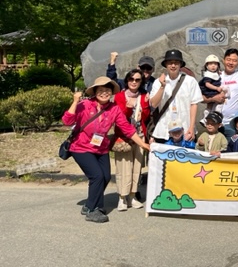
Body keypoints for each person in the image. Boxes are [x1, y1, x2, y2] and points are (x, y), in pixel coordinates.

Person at [62, 76, 149, 223]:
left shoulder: (114, 108)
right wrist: (75, 102)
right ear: (95, 92)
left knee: (106, 177)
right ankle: (93, 210)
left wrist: (143, 144)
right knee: (97, 176)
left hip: (101, 148)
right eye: (101, 90)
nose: (104, 93)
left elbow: (127, 128)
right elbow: (67, 121)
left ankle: (89, 204)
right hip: (81, 147)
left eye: (107, 90)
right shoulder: (85, 105)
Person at [112, 69, 150, 212]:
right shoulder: (119, 96)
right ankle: (122, 197)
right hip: (123, 137)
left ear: (141, 82)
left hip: (140, 135)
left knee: (137, 168)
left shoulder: (144, 96)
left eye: (137, 80)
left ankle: (133, 196)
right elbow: (119, 116)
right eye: (131, 79)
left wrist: (143, 112)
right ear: (127, 80)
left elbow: (146, 117)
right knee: (123, 168)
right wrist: (128, 109)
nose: (134, 82)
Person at [149, 49, 202, 143]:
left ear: (180, 64)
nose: (173, 65)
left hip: (185, 129)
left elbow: (194, 104)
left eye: (176, 63)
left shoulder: (190, 81)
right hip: (164, 131)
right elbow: (153, 104)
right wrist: (162, 86)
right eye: (170, 63)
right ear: (166, 64)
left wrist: (191, 127)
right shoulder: (158, 82)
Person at [204, 48, 238, 139]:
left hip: (232, 124)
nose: (231, 63)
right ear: (223, 60)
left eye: (234, 60)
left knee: (233, 147)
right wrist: (213, 99)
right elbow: (201, 98)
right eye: (228, 59)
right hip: (214, 124)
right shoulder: (214, 76)